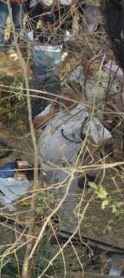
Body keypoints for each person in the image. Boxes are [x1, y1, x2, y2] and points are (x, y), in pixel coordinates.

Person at [34, 84, 112, 227]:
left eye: (69, 95)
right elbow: (36, 124)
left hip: (64, 167)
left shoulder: (84, 116)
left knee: (66, 202)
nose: (64, 97)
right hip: (44, 162)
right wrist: (51, 114)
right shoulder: (55, 107)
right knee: (44, 196)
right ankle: (45, 222)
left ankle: (67, 233)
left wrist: (86, 153)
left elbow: (104, 137)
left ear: (78, 97)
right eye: (63, 93)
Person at [30, 14, 63, 117]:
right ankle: (35, 118)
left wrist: (63, 56)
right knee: (36, 95)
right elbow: (23, 40)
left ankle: (49, 119)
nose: (47, 25)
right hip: (42, 69)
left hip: (51, 70)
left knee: (51, 97)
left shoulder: (61, 34)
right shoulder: (37, 33)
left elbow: (72, 42)